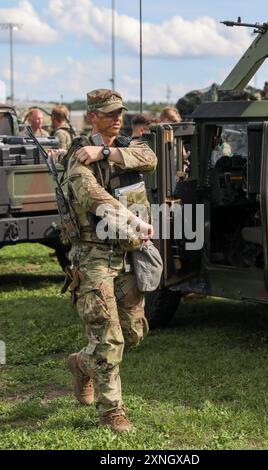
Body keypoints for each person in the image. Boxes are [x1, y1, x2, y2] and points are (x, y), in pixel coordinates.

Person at [66, 88, 157, 434]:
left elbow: (150, 158)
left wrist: (106, 151)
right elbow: (95, 198)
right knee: (109, 339)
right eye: (108, 113)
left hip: (128, 253)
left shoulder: (124, 147)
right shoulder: (78, 159)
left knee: (133, 333)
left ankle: (80, 364)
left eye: (120, 112)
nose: (117, 118)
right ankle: (112, 413)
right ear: (92, 116)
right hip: (95, 256)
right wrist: (133, 221)